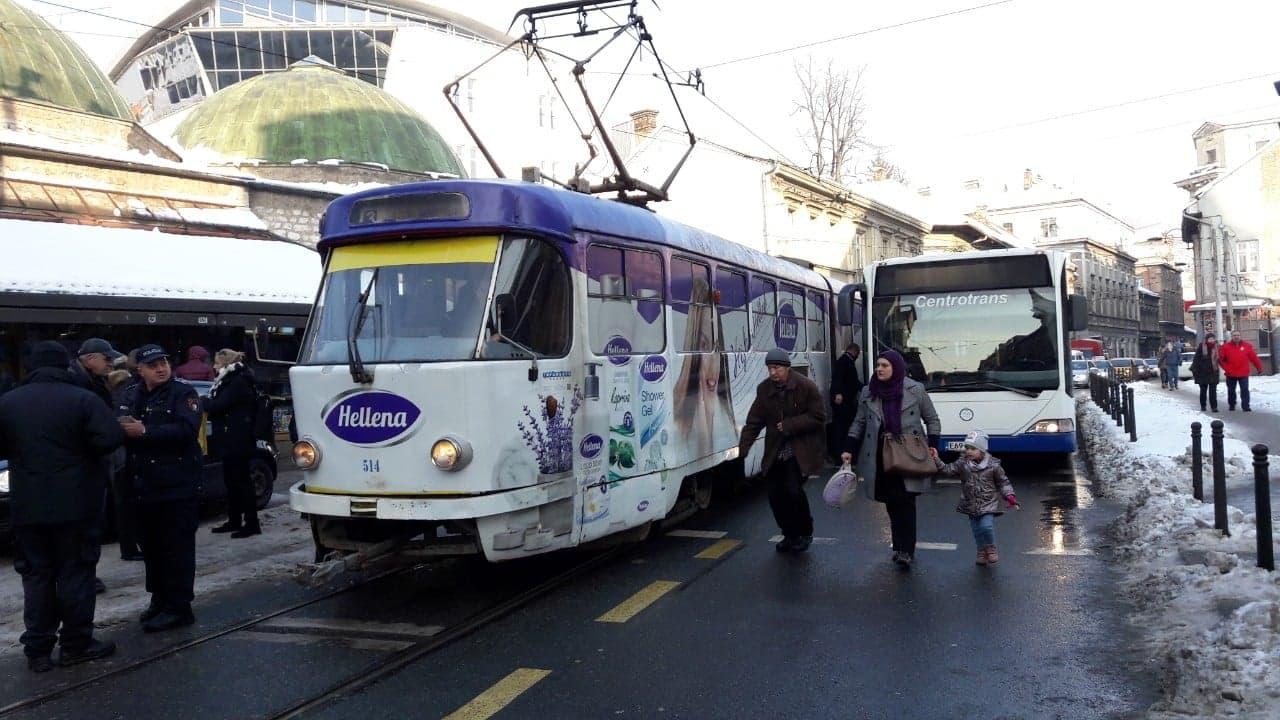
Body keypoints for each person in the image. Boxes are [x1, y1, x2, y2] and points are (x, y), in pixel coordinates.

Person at [0, 341, 124, 672]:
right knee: (76, 574)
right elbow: (111, 438)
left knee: (37, 576)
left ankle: (37, 650)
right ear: (66, 366)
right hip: (77, 505)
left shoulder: (8, 403)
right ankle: (75, 644)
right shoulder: (83, 399)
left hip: (27, 506)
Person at [119, 345, 203, 632]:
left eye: (164, 361)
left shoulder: (182, 392)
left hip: (176, 485)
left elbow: (186, 429)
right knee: (152, 547)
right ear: (139, 369)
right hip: (144, 485)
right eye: (153, 364)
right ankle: (159, 599)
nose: (161, 367)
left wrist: (145, 432)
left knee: (176, 548)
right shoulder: (132, 393)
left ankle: (179, 607)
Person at [841, 349, 941, 568]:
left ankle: (906, 549)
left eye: (884, 365)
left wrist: (933, 444)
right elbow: (859, 422)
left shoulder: (916, 389)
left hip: (908, 453)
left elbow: (932, 419)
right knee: (891, 503)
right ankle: (898, 546)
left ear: (896, 367)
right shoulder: (869, 391)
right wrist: (849, 448)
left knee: (906, 501)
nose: (879, 369)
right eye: (877, 365)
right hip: (879, 454)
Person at [738, 348, 826, 553]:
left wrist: (790, 425)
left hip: (799, 449)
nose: (773, 373)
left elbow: (818, 417)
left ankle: (804, 533)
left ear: (787, 368)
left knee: (793, 491)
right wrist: (743, 448)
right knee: (775, 495)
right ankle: (789, 533)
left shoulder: (806, 387)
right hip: (775, 449)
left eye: (776, 368)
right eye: (769, 368)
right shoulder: (764, 390)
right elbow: (754, 420)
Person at [933, 430, 1019, 565]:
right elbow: (947, 470)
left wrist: (1009, 496)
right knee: (977, 531)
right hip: (970, 504)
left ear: (982, 450)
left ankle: (991, 548)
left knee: (986, 526)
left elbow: (1003, 482)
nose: (968, 451)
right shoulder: (963, 464)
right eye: (967, 448)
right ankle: (981, 551)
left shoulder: (993, 465)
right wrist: (936, 459)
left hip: (988, 503)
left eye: (973, 448)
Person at [204, 349, 262, 538]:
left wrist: (203, 402)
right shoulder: (232, 379)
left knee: (241, 481)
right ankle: (235, 520)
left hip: (238, 439)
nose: (214, 367)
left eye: (217, 363)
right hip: (232, 438)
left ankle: (251, 523)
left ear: (225, 364)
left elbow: (219, 405)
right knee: (232, 480)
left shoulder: (236, 381)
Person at [829, 342, 863, 462]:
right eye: (857, 353)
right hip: (843, 402)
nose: (857, 356)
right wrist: (838, 393)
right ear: (854, 351)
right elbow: (838, 378)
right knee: (841, 428)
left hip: (846, 401)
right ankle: (840, 454)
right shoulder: (844, 362)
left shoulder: (846, 361)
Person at [1219, 330, 1263, 412]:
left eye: (1238, 335)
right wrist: (1226, 368)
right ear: (1232, 337)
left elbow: (1254, 358)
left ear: (1240, 336)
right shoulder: (1225, 347)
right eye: (1234, 335)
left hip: (1243, 373)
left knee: (1244, 390)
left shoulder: (1247, 346)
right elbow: (1221, 360)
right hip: (1230, 373)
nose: (1236, 337)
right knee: (1231, 390)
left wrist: (1259, 368)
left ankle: (1246, 406)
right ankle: (1232, 405)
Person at [1190, 334, 1222, 413]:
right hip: (1202, 373)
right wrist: (1195, 371)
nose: (1211, 340)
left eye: (1212, 339)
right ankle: (1203, 406)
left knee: (1213, 392)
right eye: (1209, 339)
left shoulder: (1217, 347)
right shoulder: (1201, 347)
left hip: (1213, 372)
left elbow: (1221, 359)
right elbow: (1196, 359)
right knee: (1203, 391)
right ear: (1206, 340)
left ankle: (1214, 407)